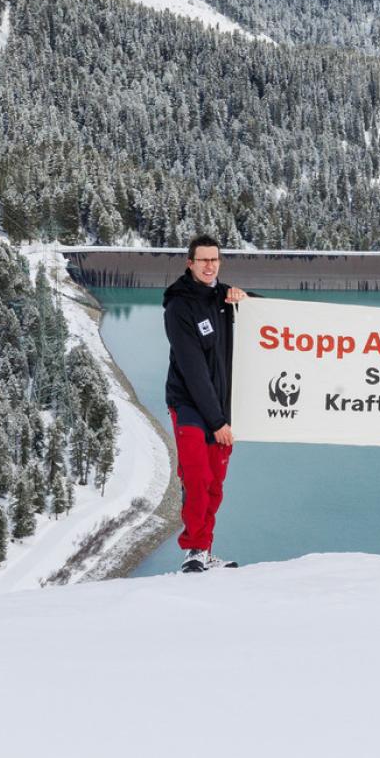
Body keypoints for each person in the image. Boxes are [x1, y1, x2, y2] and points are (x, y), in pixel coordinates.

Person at [164, 234, 252, 574]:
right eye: (203, 260)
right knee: (197, 477)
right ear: (190, 263)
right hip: (189, 405)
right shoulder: (178, 306)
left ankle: (206, 549)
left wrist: (245, 299)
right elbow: (193, 368)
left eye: (214, 259)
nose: (209, 265)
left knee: (215, 482)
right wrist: (217, 422)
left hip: (220, 404)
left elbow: (266, 321)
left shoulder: (223, 297)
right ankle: (194, 550)